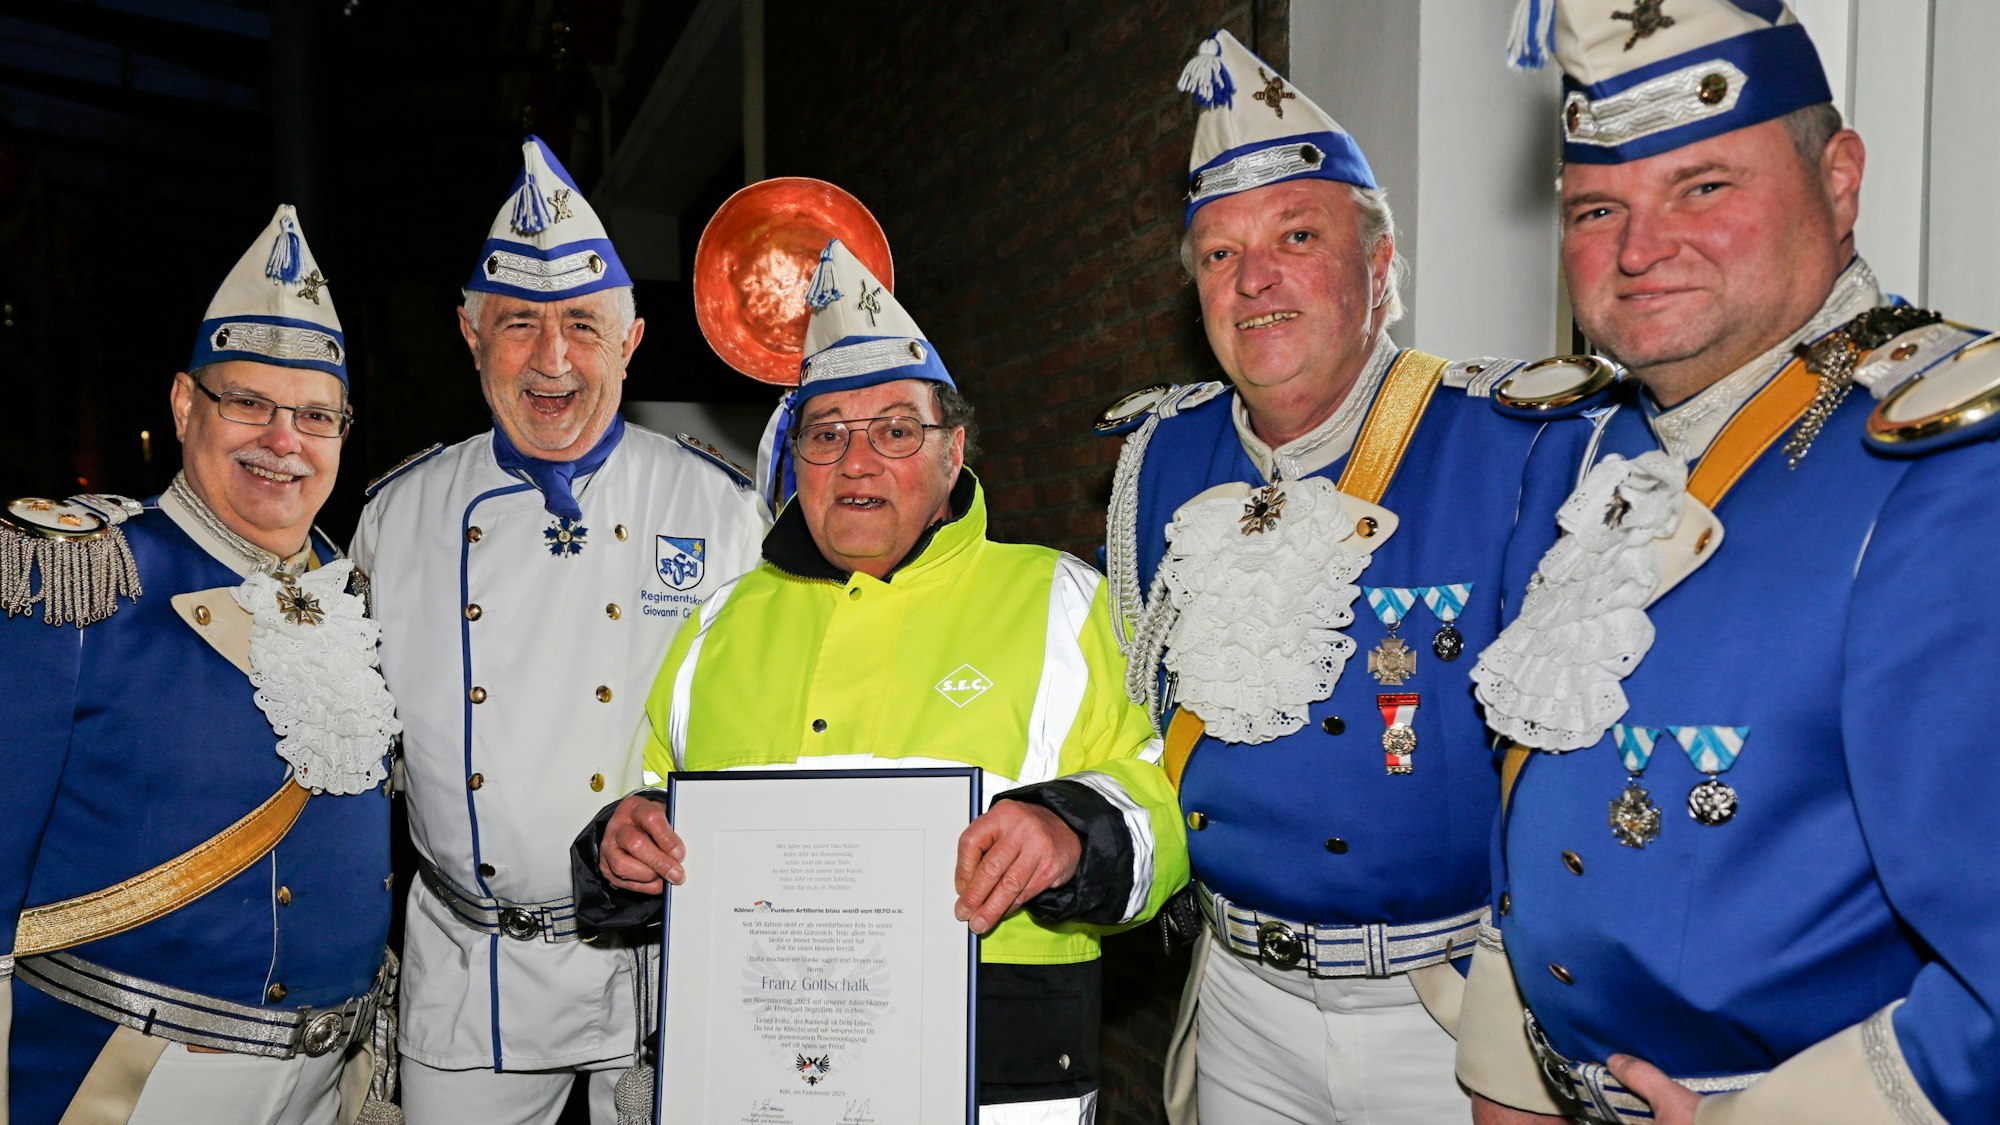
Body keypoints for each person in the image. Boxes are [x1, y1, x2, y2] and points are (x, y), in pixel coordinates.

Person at [1459, 2, 2000, 1123]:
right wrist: (1509, 1071)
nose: (1638, 249)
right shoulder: (1584, 454)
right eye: (1597, 208)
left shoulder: (1948, 466)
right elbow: (1540, 795)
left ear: (1839, 180)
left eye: (1702, 187)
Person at [572, 238, 1188, 1125]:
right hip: (753, 1079)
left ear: (954, 451)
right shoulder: (717, 624)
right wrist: (623, 844)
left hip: (999, 1086)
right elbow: (656, 799)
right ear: (794, 458)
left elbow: (1167, 799)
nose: (857, 462)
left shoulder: (1067, 601)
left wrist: (1070, 832)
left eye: (896, 431)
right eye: (827, 435)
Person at [1099, 29, 1591, 1122]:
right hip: (1240, 999)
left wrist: (1530, 1030)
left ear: (1379, 266)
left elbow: (1573, 776)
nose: (1253, 279)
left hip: (1446, 1013)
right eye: (1217, 254)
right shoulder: (1159, 461)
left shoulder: (1513, 443)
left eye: (1296, 235)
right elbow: (1133, 718)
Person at [349, 137, 768, 1124]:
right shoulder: (396, 516)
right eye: (516, 324)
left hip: (661, 966)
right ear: (468, 335)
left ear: (630, 340)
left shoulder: (719, 509)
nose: (551, 359)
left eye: (583, 324)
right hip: (468, 973)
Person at [0, 206, 401, 1124]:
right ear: (186, 405)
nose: (283, 440)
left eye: (315, 416)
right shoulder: (81, 578)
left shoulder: (353, 596)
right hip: (124, 1083)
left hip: (327, 1086)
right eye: (248, 403)